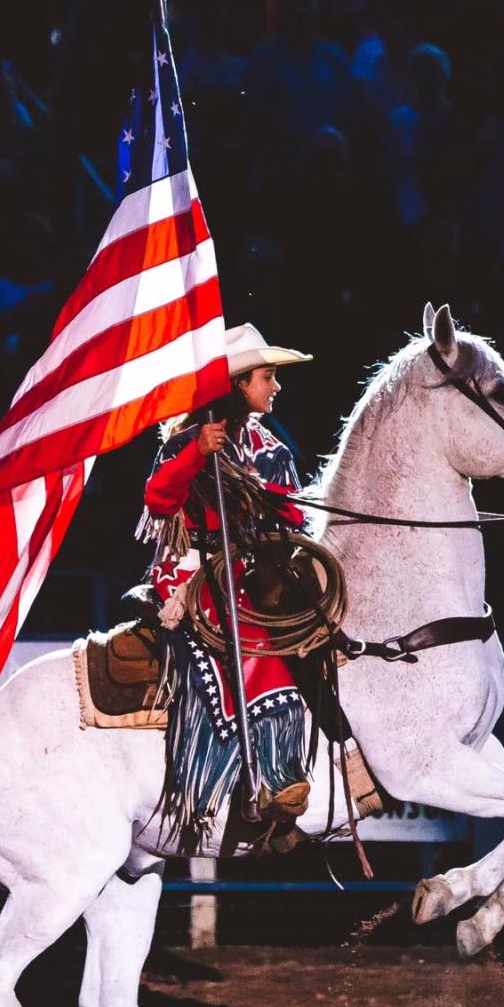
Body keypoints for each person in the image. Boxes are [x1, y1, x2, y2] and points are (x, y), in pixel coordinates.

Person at [138, 323, 313, 847]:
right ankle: (254, 788)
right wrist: (198, 455)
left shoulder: (270, 448)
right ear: (238, 383)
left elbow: (293, 517)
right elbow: (157, 502)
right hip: (194, 576)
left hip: (253, 573)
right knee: (246, 653)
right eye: (267, 376)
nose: (276, 386)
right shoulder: (189, 441)